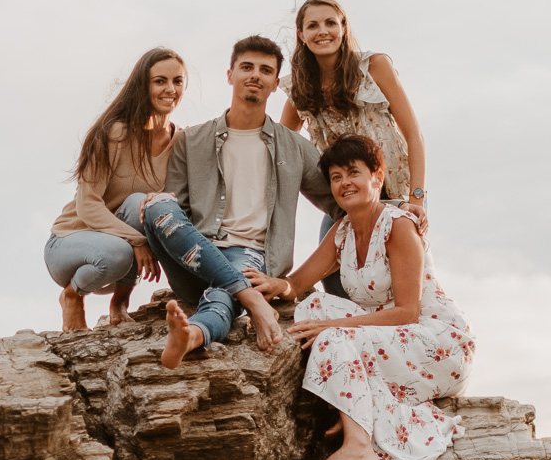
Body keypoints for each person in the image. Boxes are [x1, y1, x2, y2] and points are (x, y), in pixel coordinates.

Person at [247, 134, 474, 460]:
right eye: (336, 177)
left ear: (377, 177)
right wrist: (278, 285)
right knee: (314, 307)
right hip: (388, 335)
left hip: (435, 341)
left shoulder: (398, 227)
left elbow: (406, 313)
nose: (344, 183)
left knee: (333, 334)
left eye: (353, 172)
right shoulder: (342, 231)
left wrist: (335, 326)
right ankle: (353, 406)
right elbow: (299, 284)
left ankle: (358, 445)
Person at [145, 35, 339, 369]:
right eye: (246, 67)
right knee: (155, 205)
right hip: (195, 258)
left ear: (276, 83)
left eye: (265, 70)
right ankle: (250, 299)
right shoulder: (191, 140)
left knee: (223, 293)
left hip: (251, 258)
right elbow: (176, 211)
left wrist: (297, 282)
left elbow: (344, 210)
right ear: (230, 74)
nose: (255, 75)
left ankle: (192, 335)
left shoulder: (295, 148)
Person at [280, 0, 429, 294]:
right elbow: (282, 144)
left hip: (396, 192)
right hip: (346, 200)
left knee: (404, 284)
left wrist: (417, 198)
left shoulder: (373, 66)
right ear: (302, 35)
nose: (323, 31)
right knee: (335, 282)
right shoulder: (302, 85)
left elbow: (414, 133)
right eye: (313, 26)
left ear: (343, 27)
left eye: (330, 23)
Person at [43, 48, 186, 332]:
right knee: (121, 247)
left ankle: (119, 304)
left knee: (142, 205)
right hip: (71, 245)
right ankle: (72, 295)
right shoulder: (115, 133)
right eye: (160, 81)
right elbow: (88, 206)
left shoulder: (180, 140)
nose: (170, 89)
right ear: (143, 86)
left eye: (177, 81)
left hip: (121, 247)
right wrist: (138, 241)